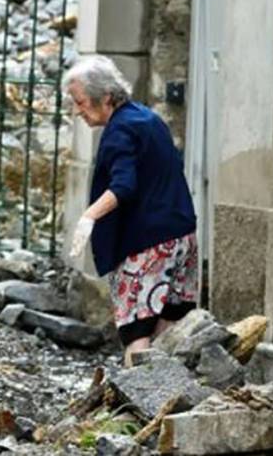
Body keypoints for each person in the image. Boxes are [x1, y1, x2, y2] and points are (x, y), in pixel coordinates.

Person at [64, 55, 198, 367]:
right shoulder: (148, 118)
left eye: (80, 102)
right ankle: (169, 400)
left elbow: (124, 186)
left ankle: (137, 406)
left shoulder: (120, 131)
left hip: (148, 247)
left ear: (106, 97)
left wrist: (89, 216)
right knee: (169, 327)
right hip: (182, 237)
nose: (77, 111)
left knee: (137, 330)